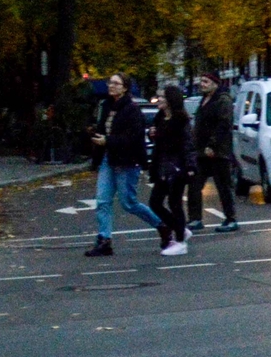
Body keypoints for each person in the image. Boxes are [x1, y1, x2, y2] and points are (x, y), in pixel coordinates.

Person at [85, 73, 164, 258]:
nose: (111, 86)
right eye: (110, 82)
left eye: (115, 83)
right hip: (108, 158)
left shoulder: (132, 109)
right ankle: (104, 241)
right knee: (102, 201)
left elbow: (133, 138)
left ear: (125, 87)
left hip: (127, 161)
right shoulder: (106, 105)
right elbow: (103, 128)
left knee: (129, 203)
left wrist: (108, 140)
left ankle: (162, 226)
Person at [149, 84, 194, 257]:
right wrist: (152, 134)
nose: (158, 99)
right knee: (155, 202)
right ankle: (179, 228)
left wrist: (190, 167)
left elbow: (188, 144)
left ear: (170, 100)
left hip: (176, 168)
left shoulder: (181, 120)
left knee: (175, 203)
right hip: (162, 167)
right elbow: (160, 142)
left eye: (161, 96)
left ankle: (181, 242)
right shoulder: (160, 118)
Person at [194, 71, 240, 232]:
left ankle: (231, 219)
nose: (202, 84)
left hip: (218, 152)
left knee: (223, 186)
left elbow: (224, 124)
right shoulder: (204, 100)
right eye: (202, 81)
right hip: (202, 152)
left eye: (206, 81)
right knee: (194, 184)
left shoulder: (222, 100)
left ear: (215, 83)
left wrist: (212, 145)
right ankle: (195, 219)